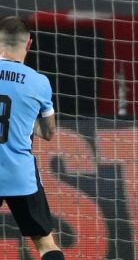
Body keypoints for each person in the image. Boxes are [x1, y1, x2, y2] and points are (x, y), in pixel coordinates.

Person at [0, 17, 65, 260]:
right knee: (46, 245)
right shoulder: (39, 82)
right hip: (20, 175)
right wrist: (24, 120)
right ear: (29, 44)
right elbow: (49, 133)